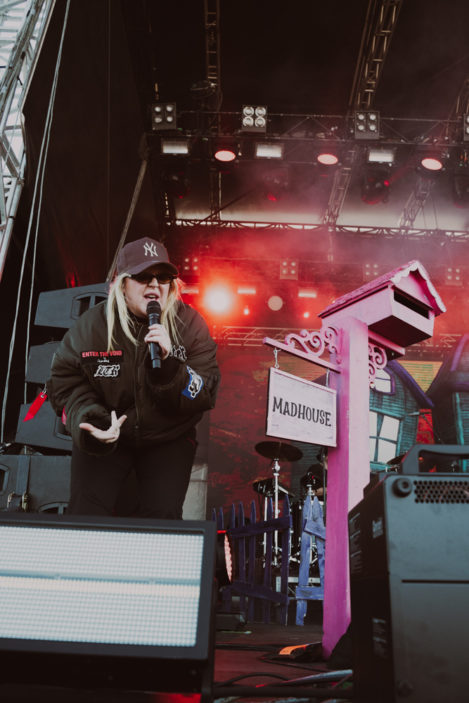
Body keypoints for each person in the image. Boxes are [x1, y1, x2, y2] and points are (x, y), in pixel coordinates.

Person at [47, 237, 220, 519]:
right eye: (143, 276)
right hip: (108, 433)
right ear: (122, 284)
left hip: (168, 438)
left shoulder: (190, 326)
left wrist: (169, 366)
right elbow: (64, 383)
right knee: (86, 513)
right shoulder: (93, 325)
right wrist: (91, 420)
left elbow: (205, 392)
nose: (154, 285)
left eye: (163, 277)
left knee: (162, 517)